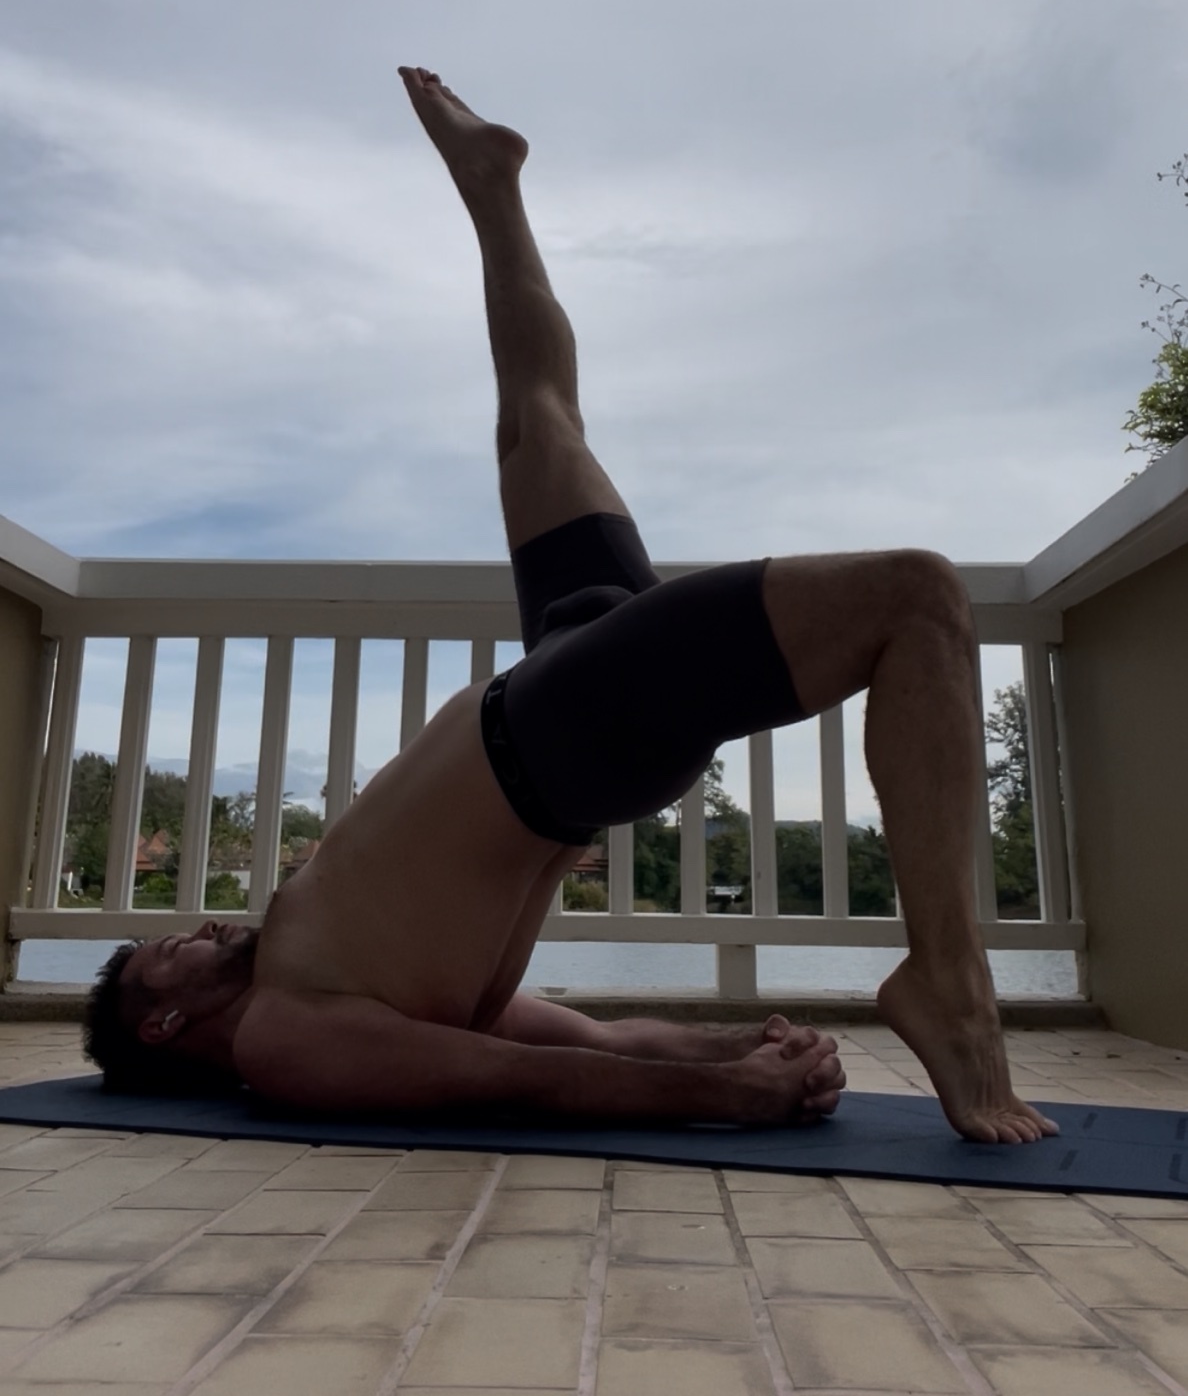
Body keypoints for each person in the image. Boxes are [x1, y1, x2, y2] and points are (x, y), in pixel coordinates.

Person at [83, 68, 1058, 1145]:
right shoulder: (288, 1035)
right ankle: (951, 983)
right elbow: (524, 1081)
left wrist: (748, 1052)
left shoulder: (338, 959)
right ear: (163, 1018)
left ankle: (491, 187)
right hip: (570, 736)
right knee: (916, 595)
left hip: (562, 669)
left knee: (537, 421)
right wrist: (728, 1098)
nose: (197, 924)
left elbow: (595, 1043)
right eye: (162, 948)